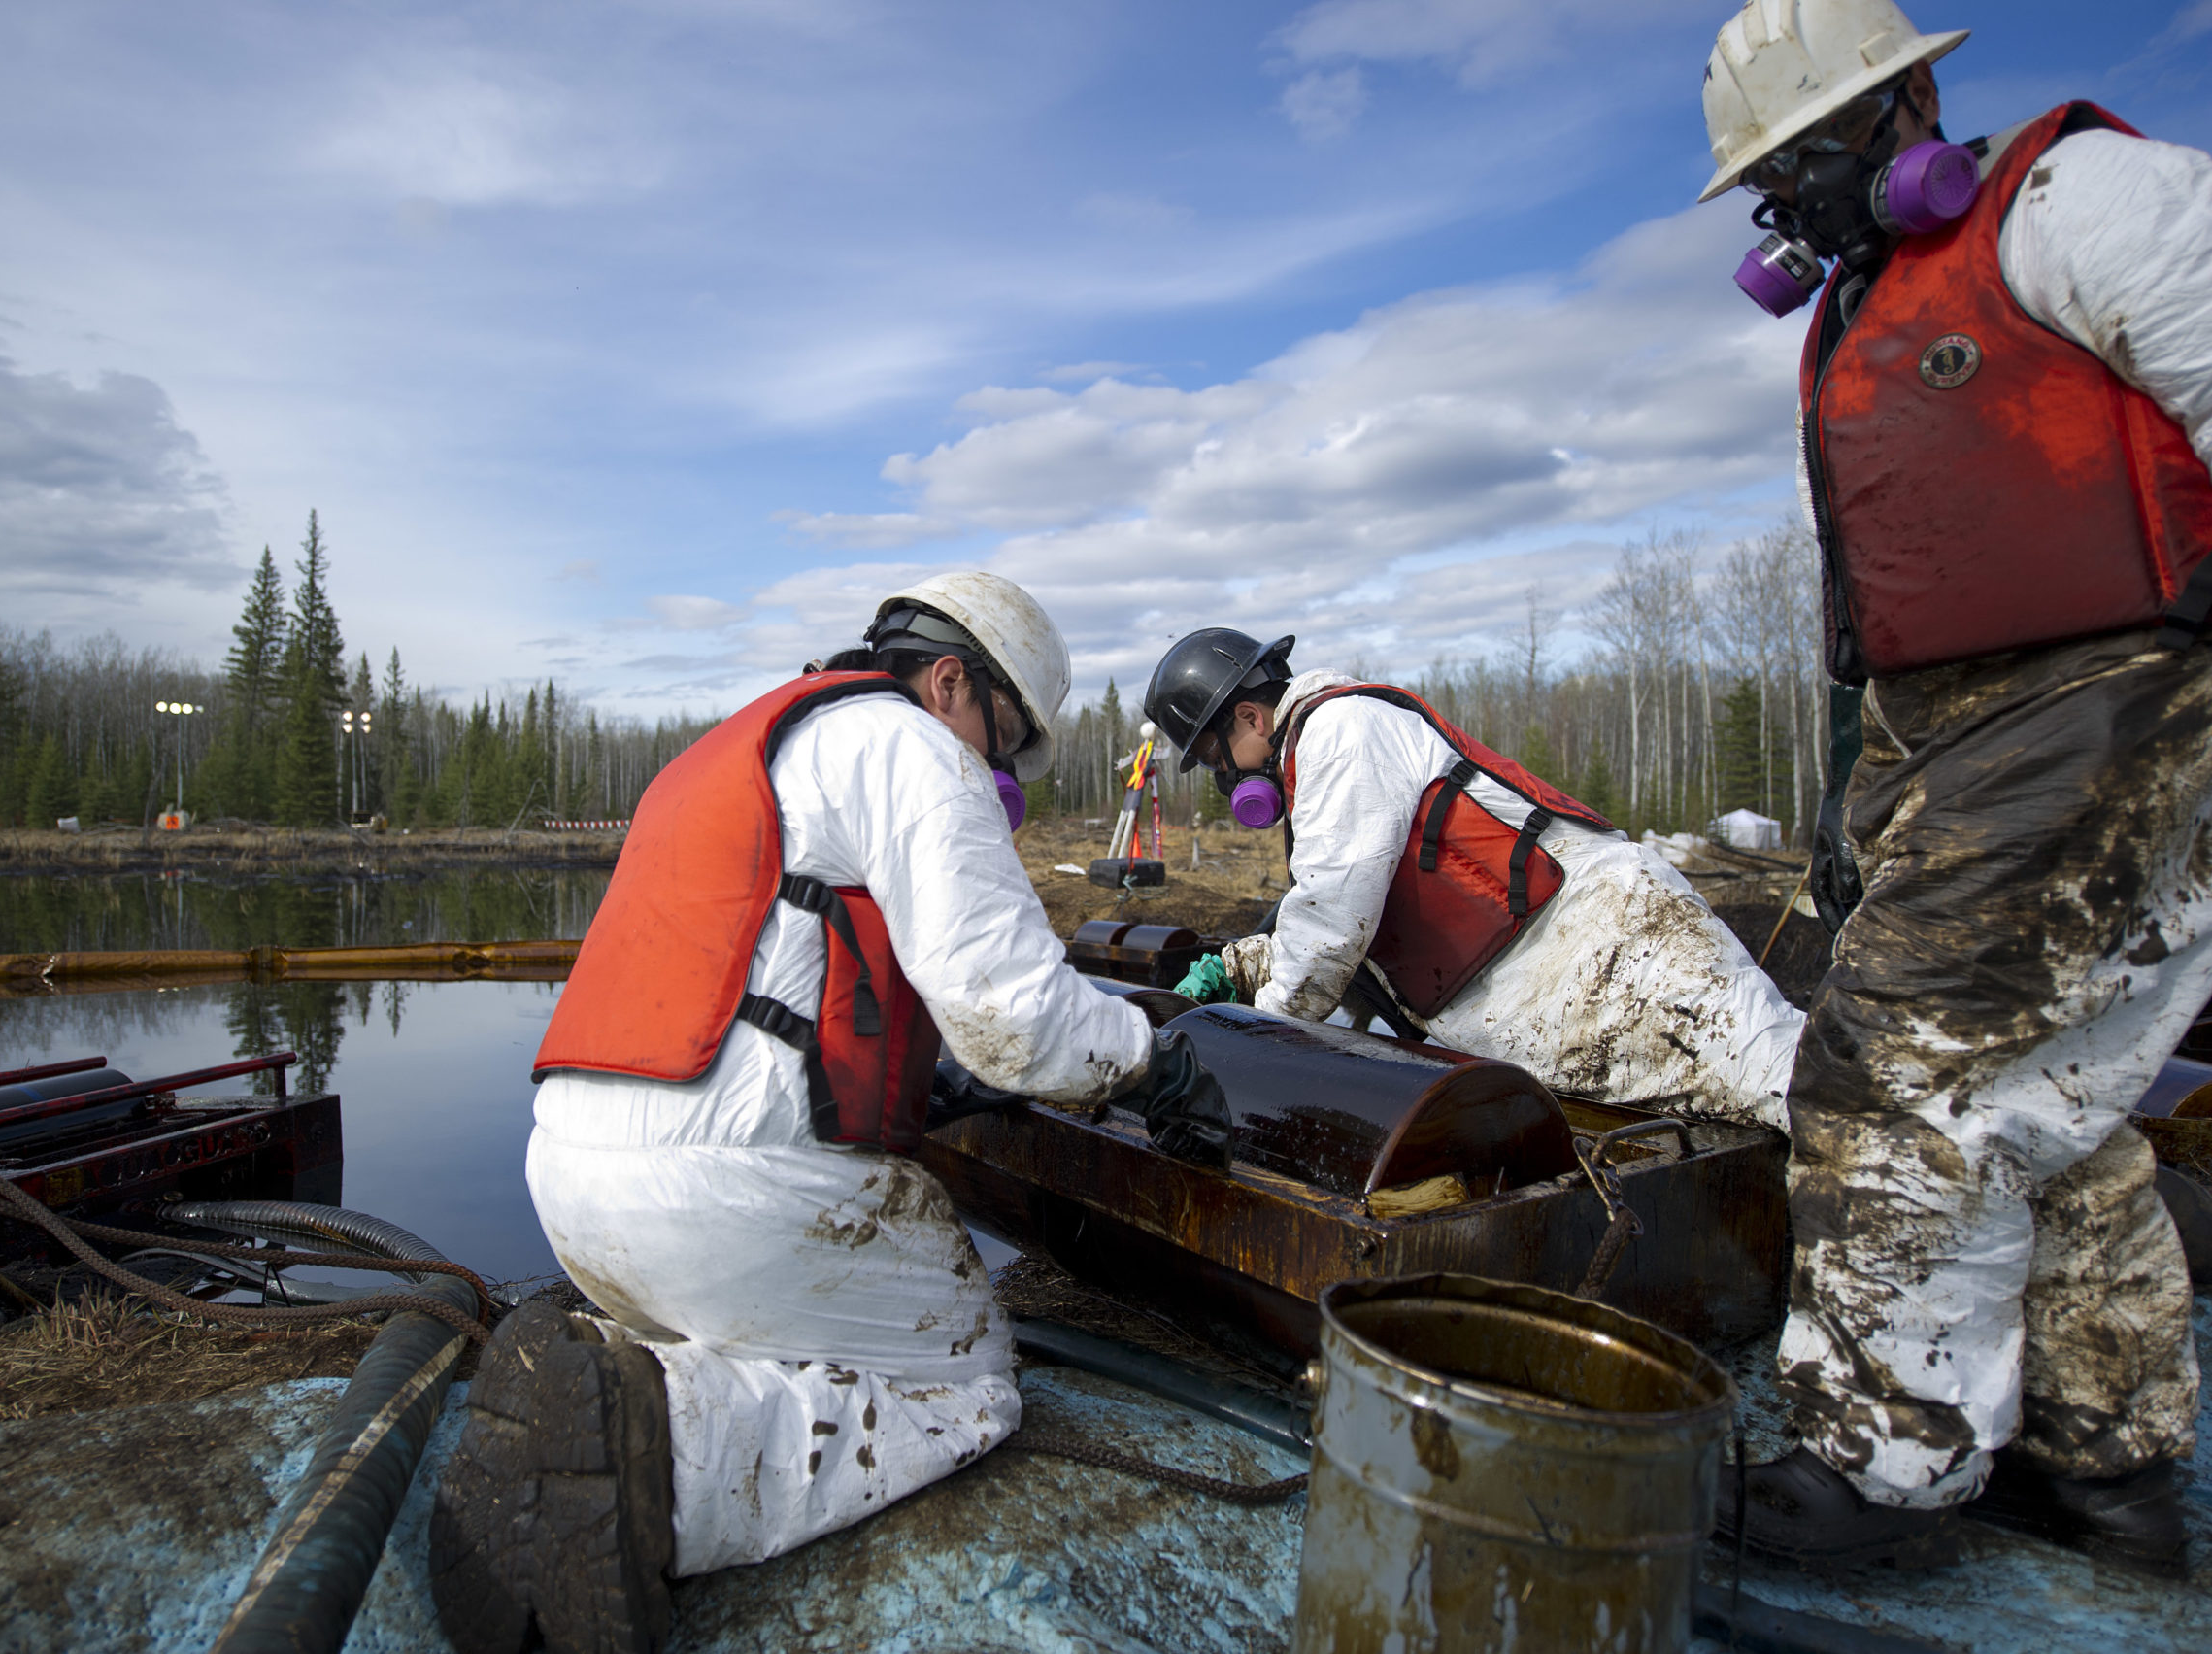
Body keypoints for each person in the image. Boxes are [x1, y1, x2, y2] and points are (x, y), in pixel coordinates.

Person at [430, 572, 1233, 1654]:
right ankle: (656, 1466)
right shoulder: (910, 746)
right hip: (721, 1195)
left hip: (574, 1182)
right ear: (951, 681)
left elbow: (783, 974)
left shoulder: (739, 746)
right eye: (999, 748)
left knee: (775, 1320)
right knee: (967, 1382)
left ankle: (607, 1371)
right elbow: (1010, 1009)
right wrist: (1152, 1066)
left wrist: (923, 1080)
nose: (994, 777)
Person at [1697, 0, 2212, 1574]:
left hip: (2113, 694)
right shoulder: (1851, 320)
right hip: (1951, 736)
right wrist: (1868, 799)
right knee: (2046, 1094)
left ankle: (1885, 1460)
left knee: (1887, 1071)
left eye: (1821, 151)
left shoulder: (2072, 206)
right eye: (1775, 182)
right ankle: (2107, 1457)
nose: (1805, 200)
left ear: (1915, 97)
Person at [1144, 632, 1804, 1134]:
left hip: (1618, 951)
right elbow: (1364, 921)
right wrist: (1239, 964)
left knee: (1799, 1091)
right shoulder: (1317, 748)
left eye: (1213, 758)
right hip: (1560, 979)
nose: (1224, 776)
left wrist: (1249, 1044)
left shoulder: (1338, 733)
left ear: (1252, 719)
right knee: (1731, 1125)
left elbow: (1331, 927)